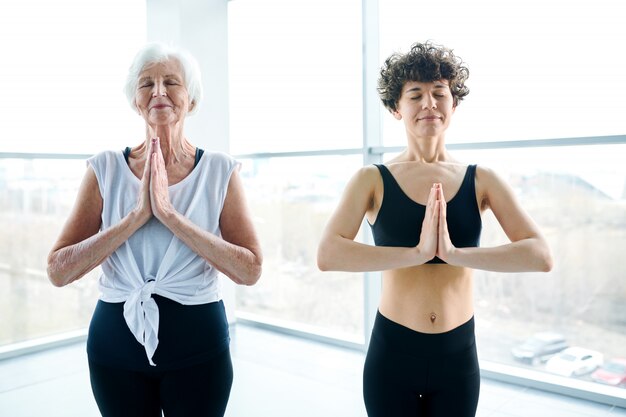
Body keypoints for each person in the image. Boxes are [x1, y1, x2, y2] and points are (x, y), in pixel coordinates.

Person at [317, 41, 553, 417]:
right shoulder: (372, 179)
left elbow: (540, 255)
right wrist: (417, 254)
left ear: (453, 105)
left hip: (457, 357)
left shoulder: (482, 179)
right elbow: (328, 255)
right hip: (392, 354)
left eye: (439, 93)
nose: (429, 104)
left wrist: (455, 254)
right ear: (397, 108)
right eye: (415, 95)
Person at [47, 43, 263, 417]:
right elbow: (58, 270)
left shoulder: (220, 171)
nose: (159, 92)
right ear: (135, 101)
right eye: (147, 84)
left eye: (171, 82)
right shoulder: (104, 169)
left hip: (199, 346)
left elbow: (250, 269)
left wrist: (169, 215)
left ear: (191, 100)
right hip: (115, 349)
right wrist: (135, 218)